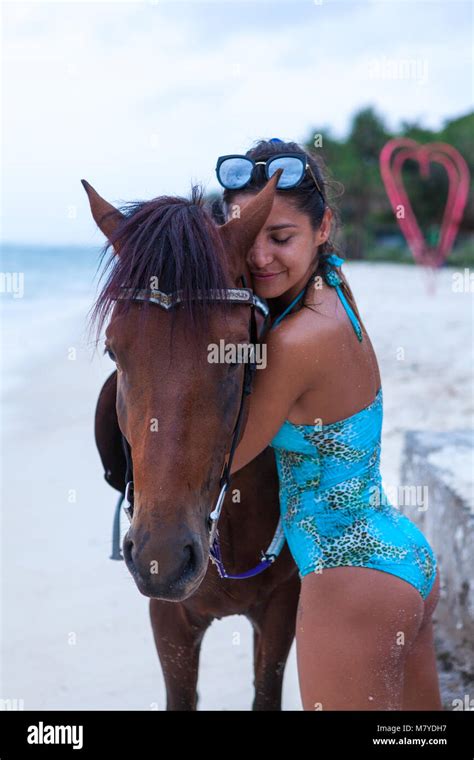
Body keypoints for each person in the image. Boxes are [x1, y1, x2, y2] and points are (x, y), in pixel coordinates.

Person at [216, 138, 442, 711]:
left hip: (348, 578)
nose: (260, 256)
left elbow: (225, 458)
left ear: (323, 228)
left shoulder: (298, 343)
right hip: (401, 559)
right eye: (247, 237)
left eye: (281, 236)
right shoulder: (333, 286)